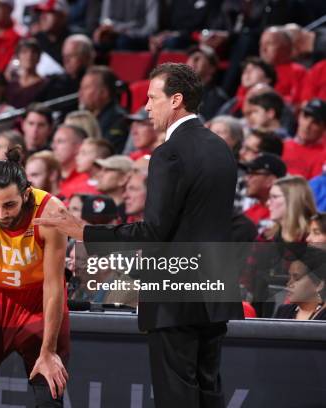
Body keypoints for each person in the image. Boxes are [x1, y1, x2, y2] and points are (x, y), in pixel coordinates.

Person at [35, 63, 244, 408]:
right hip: (215, 288)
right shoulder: (220, 148)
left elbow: (153, 231)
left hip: (176, 293)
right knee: (209, 390)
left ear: (176, 100)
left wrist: (85, 231)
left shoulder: (168, 153)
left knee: (176, 396)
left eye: (152, 98)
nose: (146, 107)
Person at [0, 147, 69, 407]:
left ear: (26, 194)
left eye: (9, 205)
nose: (1, 213)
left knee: (49, 390)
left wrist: (48, 351)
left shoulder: (51, 211)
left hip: (38, 300)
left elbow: (54, 286)